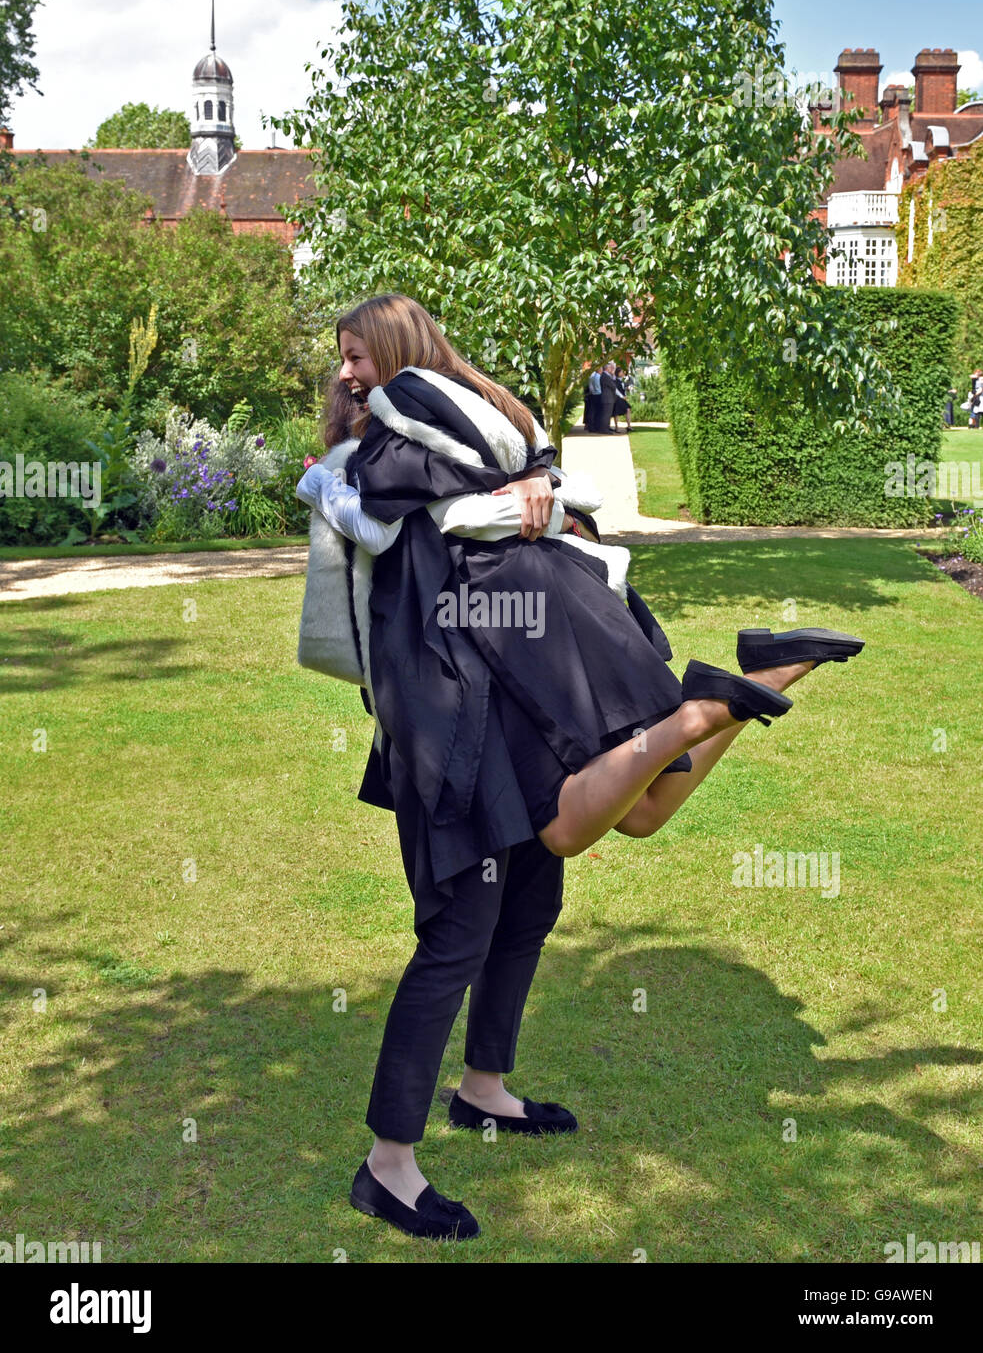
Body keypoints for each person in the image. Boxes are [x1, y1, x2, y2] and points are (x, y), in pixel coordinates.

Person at [295, 293, 865, 1243]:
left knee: (531, 903)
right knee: (457, 933)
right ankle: (386, 1166)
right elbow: (431, 511)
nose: (348, 374)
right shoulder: (377, 454)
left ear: (401, 354)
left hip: (508, 696)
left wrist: (540, 486)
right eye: (343, 359)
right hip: (448, 726)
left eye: (358, 355)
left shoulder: (442, 425)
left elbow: (513, 471)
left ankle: (484, 1087)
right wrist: (525, 493)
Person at [594, 360, 618, 434]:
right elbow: (613, 386)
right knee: (606, 414)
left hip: (608, 398)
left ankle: (606, 427)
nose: (612, 369)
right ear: (607, 368)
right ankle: (604, 429)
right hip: (607, 398)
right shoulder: (605, 376)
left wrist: (613, 374)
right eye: (610, 367)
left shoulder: (607, 375)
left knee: (607, 414)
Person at [612, 366, 632, 432]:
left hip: (623, 398)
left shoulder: (622, 380)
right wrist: (622, 396)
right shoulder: (615, 381)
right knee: (616, 413)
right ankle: (616, 427)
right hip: (617, 398)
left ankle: (629, 426)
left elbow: (623, 389)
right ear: (618, 373)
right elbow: (616, 390)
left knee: (628, 409)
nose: (623, 373)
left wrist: (625, 395)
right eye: (621, 372)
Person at [585, 364, 602, 430]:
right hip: (597, 394)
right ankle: (594, 426)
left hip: (592, 394)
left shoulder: (592, 376)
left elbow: (590, 387)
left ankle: (591, 426)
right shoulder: (597, 376)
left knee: (592, 411)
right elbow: (598, 387)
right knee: (596, 411)